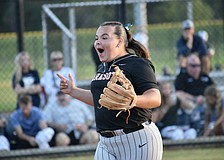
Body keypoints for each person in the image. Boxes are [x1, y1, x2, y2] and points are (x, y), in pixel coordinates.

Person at [57, 21, 163, 160]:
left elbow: (155, 98)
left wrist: (134, 100)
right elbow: (100, 99)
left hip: (138, 138)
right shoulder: (103, 67)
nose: (98, 42)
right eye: (96, 38)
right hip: (106, 142)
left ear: (119, 42)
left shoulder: (137, 63)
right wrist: (73, 91)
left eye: (104, 37)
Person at [174, 54, 214, 136]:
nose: (197, 68)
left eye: (198, 65)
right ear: (187, 66)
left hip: (205, 102)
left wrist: (205, 98)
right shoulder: (182, 77)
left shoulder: (205, 76)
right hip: (190, 104)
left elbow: (214, 90)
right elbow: (178, 93)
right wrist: (195, 98)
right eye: (193, 66)